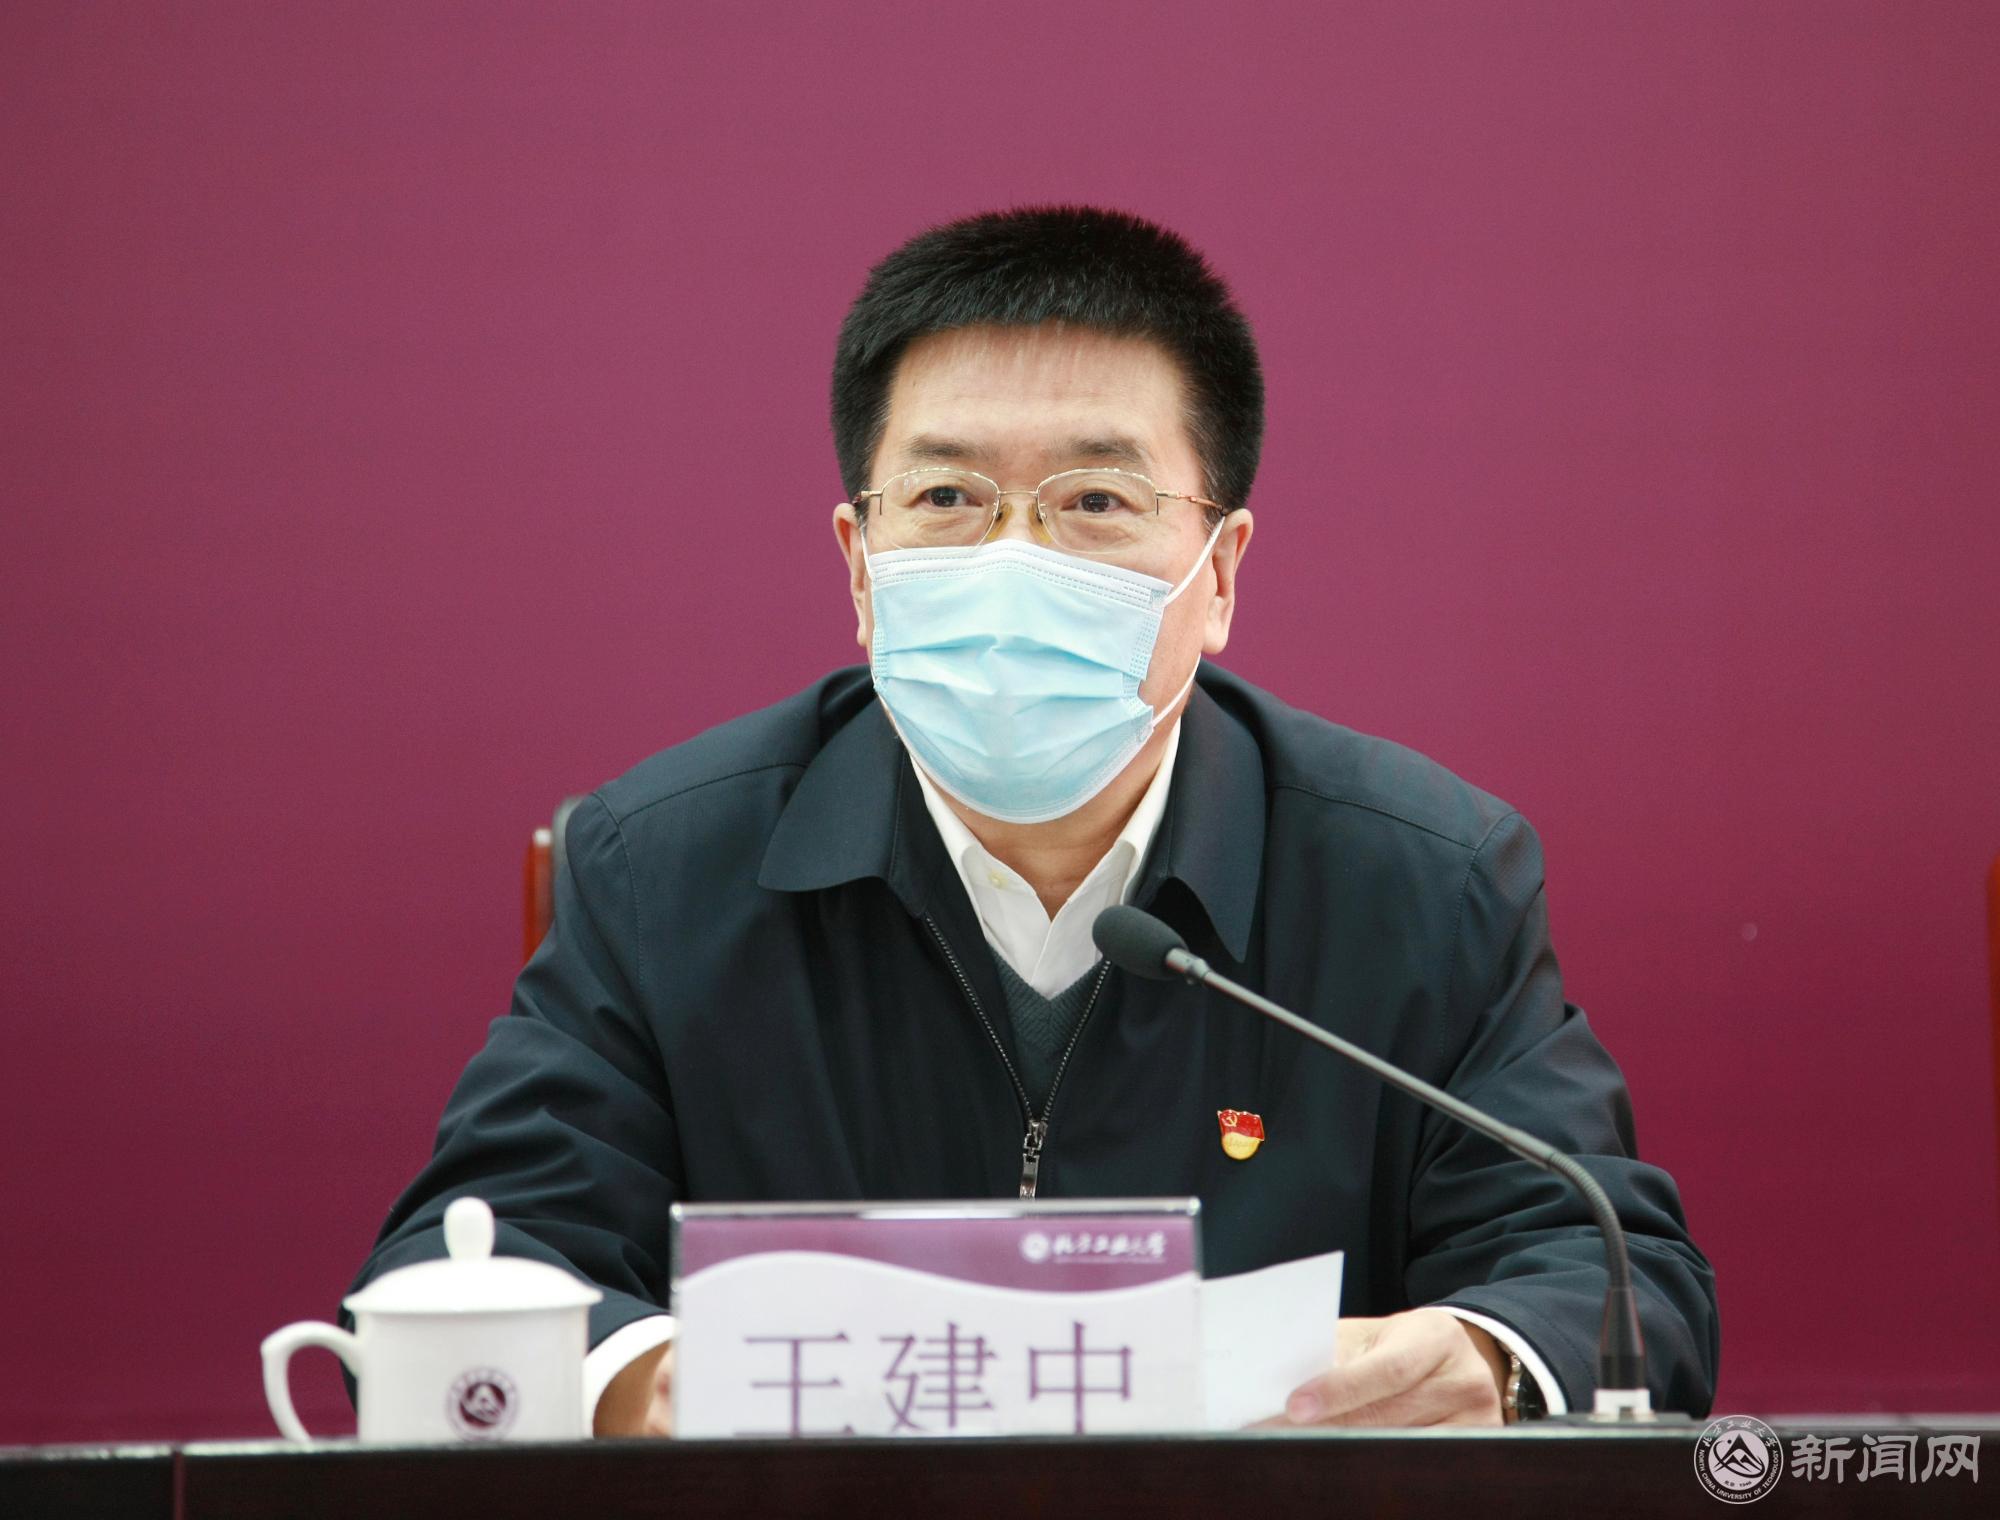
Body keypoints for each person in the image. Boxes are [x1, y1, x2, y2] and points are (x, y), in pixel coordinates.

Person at [350, 206, 1719, 1436]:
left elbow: (1618, 1276)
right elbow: (459, 1266)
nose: (1014, 558)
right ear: (861, 563)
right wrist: (652, 1384)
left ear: (1220, 571)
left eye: (1096, 502)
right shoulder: (662, 871)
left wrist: (1481, 1359)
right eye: (948, 498)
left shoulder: (1422, 881)